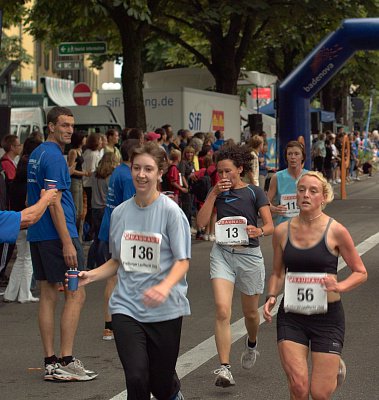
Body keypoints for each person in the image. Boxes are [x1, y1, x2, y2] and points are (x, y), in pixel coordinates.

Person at [73, 142, 190, 400]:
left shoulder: (172, 213)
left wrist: (163, 287)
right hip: (127, 307)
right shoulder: (120, 213)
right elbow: (118, 261)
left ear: (160, 173)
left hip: (165, 310)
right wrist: (90, 275)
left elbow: (183, 261)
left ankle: (172, 393)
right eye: (137, 168)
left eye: (148, 169)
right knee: (136, 377)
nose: (141, 174)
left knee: (160, 385)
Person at [263, 171, 367, 399]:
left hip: (327, 318)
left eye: (313, 191)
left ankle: (332, 366)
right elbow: (277, 273)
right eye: (301, 190)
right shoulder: (282, 232)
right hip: (292, 315)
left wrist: (340, 286)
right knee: (299, 387)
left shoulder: (336, 231)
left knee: (320, 393)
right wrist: (271, 295)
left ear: (324, 197)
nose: (306, 195)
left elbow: (360, 272)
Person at [27, 106, 96, 382]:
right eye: (64, 125)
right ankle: (66, 360)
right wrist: (68, 243)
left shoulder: (36, 153)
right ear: (51, 126)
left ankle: (51, 362)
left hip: (39, 233)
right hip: (58, 234)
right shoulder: (54, 157)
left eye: (71, 125)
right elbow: (54, 203)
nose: (69, 129)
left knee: (47, 295)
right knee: (76, 294)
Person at [197, 145, 274, 388]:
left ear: (239, 169)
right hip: (222, 253)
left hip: (249, 255)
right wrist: (212, 195)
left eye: (228, 171)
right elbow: (200, 223)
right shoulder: (216, 192)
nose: (223, 176)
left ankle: (252, 343)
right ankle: (225, 368)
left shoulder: (254, 192)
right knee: (222, 309)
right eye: (220, 172)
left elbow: (270, 225)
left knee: (251, 314)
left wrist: (258, 230)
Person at [97, 139, 138, 340]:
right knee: (124, 278)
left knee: (113, 278)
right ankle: (119, 324)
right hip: (122, 232)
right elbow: (133, 207)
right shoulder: (129, 176)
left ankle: (109, 324)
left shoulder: (117, 171)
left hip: (109, 227)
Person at [3, 136, 42, 303]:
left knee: (21, 258)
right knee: (27, 260)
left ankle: (11, 293)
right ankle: (24, 294)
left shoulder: (15, 181)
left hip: (15, 221)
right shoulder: (31, 186)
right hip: (26, 221)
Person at [267, 141, 307, 226]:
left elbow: (320, 200)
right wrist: (274, 209)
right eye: (289, 154)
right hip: (284, 226)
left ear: (302, 156)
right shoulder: (277, 177)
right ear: (286, 156)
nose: (293, 157)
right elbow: (266, 202)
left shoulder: (310, 176)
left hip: (306, 226)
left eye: (296, 154)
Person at [67, 130, 89, 234]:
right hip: (75, 181)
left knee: (81, 211)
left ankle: (79, 235)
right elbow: (70, 169)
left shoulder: (80, 151)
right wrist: (83, 173)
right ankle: (73, 234)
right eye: (84, 137)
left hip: (80, 182)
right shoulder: (73, 152)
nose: (85, 139)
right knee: (76, 210)